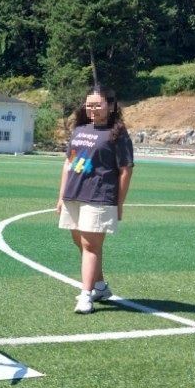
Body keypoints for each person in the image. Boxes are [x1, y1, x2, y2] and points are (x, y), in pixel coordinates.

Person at [55, 86, 134, 314]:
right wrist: (61, 196)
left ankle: (86, 295)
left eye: (97, 104)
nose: (93, 109)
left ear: (110, 106)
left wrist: (119, 203)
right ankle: (99, 286)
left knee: (91, 245)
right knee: (80, 241)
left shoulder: (117, 133)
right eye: (89, 104)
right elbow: (68, 164)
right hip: (74, 193)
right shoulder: (79, 129)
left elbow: (125, 170)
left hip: (99, 195)